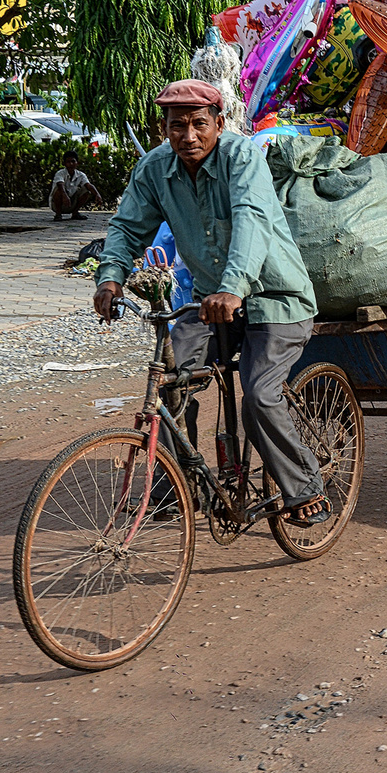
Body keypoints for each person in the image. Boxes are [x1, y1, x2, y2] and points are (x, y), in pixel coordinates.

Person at [93, 79, 330, 525]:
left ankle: (304, 485)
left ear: (219, 124)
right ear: (163, 128)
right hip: (210, 304)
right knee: (171, 384)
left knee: (258, 396)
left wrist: (235, 286)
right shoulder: (154, 169)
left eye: (199, 124)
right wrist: (111, 279)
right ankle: (180, 486)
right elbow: (126, 228)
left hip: (275, 300)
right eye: (176, 126)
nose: (188, 136)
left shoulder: (240, 158)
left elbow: (251, 218)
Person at [49, 150, 102, 221]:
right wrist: (65, 196)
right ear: (64, 163)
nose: (71, 164)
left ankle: (75, 212)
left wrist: (97, 194)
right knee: (59, 190)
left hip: (72, 203)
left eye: (73, 161)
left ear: (77, 163)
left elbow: (88, 185)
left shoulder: (81, 175)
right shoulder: (60, 173)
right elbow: (60, 184)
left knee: (86, 191)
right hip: (58, 204)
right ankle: (58, 214)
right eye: (68, 162)